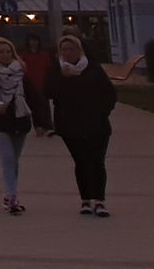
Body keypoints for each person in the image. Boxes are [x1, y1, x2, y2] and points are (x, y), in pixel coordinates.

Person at [45, 33, 115, 217]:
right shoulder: (56, 70)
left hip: (96, 125)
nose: (68, 53)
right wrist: (62, 78)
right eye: (64, 49)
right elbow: (48, 92)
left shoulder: (93, 69)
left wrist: (101, 113)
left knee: (97, 162)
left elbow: (109, 94)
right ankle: (86, 199)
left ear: (80, 50)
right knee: (81, 162)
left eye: (71, 49)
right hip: (70, 125)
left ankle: (100, 201)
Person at [0, 36, 47, 214]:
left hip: (19, 121)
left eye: (8, 52)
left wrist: (41, 123)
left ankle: (9, 195)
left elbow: (35, 100)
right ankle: (13, 197)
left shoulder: (21, 75)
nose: (5, 55)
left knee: (14, 161)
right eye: (1, 52)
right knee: (7, 158)